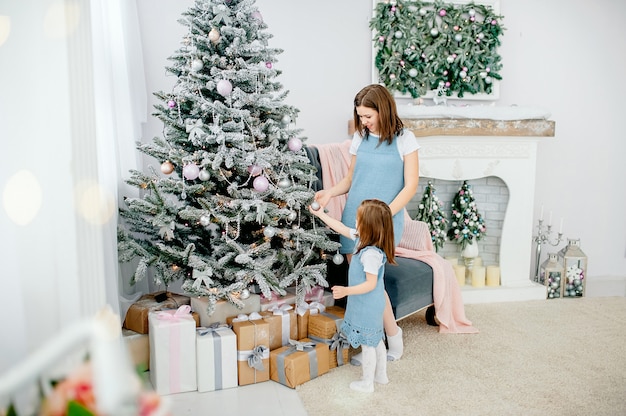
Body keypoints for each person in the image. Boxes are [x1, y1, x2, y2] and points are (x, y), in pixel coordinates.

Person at [314, 84, 420, 363]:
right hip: (355, 217)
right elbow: (350, 180)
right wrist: (329, 192)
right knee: (362, 282)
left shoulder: (405, 139)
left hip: (385, 222)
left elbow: (410, 186)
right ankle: (375, 343)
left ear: (383, 110)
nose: (363, 121)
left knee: (374, 284)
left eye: (368, 116)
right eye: (360, 116)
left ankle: (392, 337)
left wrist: (386, 213)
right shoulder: (360, 137)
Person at [309, 199, 396, 392]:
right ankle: (381, 375)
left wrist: (346, 290)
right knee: (376, 339)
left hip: (368, 303)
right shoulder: (362, 239)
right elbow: (340, 227)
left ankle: (367, 382)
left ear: (369, 226)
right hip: (367, 302)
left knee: (368, 344)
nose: (355, 222)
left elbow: (371, 284)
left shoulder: (370, 254)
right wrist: (321, 215)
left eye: (359, 219)